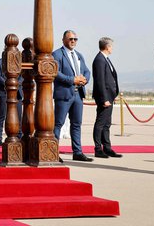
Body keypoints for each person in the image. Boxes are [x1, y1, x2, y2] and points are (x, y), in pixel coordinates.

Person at [52, 30, 93, 162]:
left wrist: (84, 79)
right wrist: (72, 80)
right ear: (63, 40)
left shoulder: (79, 55)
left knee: (76, 124)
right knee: (58, 123)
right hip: (64, 94)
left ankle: (77, 152)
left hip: (78, 94)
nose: (73, 41)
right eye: (70, 39)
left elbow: (87, 71)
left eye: (75, 39)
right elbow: (55, 72)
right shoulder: (57, 54)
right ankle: (53, 152)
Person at [91, 37, 122, 159]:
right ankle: (98, 149)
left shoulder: (105, 59)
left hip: (109, 96)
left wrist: (113, 95)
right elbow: (100, 81)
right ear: (107, 47)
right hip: (104, 97)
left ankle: (107, 148)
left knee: (107, 124)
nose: (112, 48)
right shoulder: (99, 60)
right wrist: (104, 98)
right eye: (111, 46)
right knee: (100, 123)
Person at [0, 55, 23, 146]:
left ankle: (19, 136)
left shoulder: (19, 61)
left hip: (17, 92)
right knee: (2, 115)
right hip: (4, 91)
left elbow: (22, 76)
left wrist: (15, 84)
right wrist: (9, 84)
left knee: (18, 115)